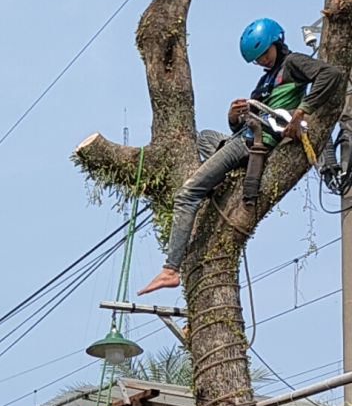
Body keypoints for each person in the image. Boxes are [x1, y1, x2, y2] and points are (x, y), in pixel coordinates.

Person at [138, 18, 342, 296]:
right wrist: (234, 118)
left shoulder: (292, 63)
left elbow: (331, 75)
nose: (262, 62)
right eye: (257, 60)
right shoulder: (264, 81)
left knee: (187, 195)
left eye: (264, 55)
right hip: (244, 136)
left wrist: (302, 110)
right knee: (207, 137)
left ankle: (170, 269)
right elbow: (246, 122)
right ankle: (221, 182)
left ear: (276, 43)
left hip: (253, 143)